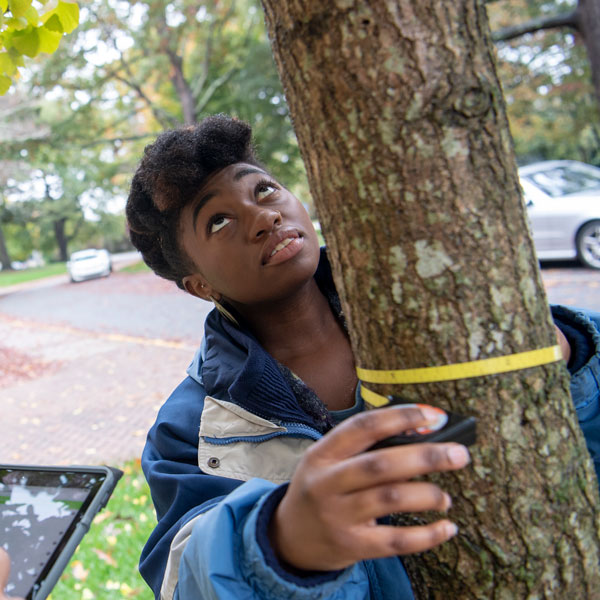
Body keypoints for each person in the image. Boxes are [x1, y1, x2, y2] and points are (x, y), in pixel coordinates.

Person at [126, 115, 600, 599]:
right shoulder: (185, 431)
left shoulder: (432, 301)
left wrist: (572, 362)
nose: (263, 217)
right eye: (219, 221)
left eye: (265, 191)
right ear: (199, 285)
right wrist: (278, 544)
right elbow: (184, 578)